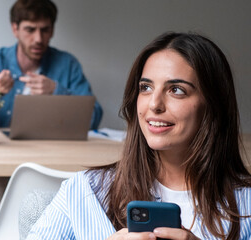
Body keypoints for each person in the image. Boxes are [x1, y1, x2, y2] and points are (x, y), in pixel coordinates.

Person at [26, 32, 251, 239]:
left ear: (213, 105)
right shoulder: (84, 191)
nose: (154, 104)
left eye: (177, 90)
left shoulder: (246, 204)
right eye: (146, 88)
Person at [0, 0, 103, 238]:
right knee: (3, 227)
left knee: (64, 225)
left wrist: (57, 91)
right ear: (15, 29)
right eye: (30, 29)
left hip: (51, 168)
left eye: (45, 29)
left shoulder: (67, 65)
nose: (38, 38)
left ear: (52, 30)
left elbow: (94, 118)